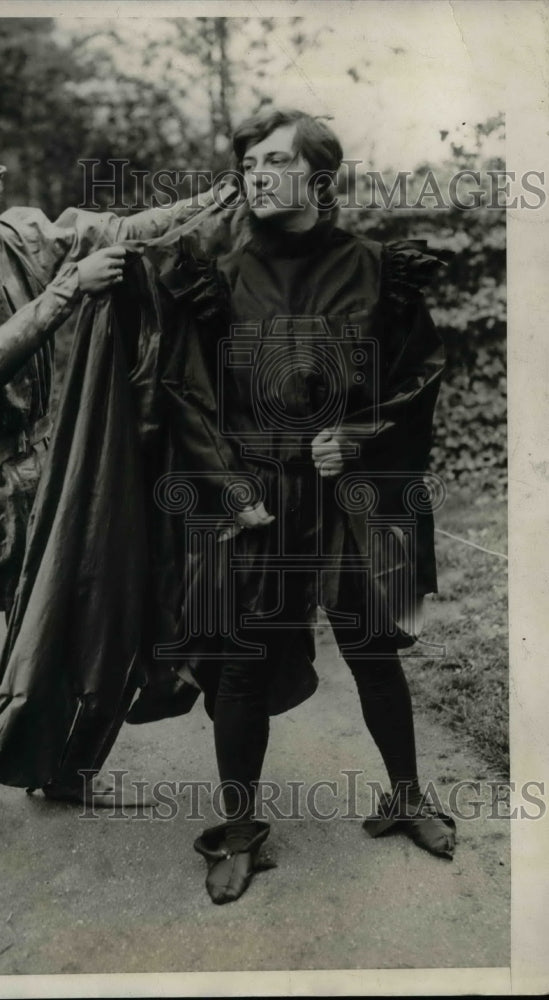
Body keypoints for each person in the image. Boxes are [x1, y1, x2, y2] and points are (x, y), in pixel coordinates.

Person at [0, 129, 221, 884]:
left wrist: (217, 196)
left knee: (69, 622)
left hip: (44, 467)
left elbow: (123, 231)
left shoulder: (22, 234)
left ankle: (59, 767)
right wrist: (73, 287)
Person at [180, 109, 456, 904]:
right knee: (240, 660)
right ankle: (237, 831)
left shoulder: (376, 268)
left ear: (318, 175)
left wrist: (361, 436)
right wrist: (233, 490)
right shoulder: (220, 280)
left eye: (273, 160)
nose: (255, 174)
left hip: (348, 494)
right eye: (248, 162)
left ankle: (404, 796)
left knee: (371, 646)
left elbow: (418, 373)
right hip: (259, 496)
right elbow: (191, 398)